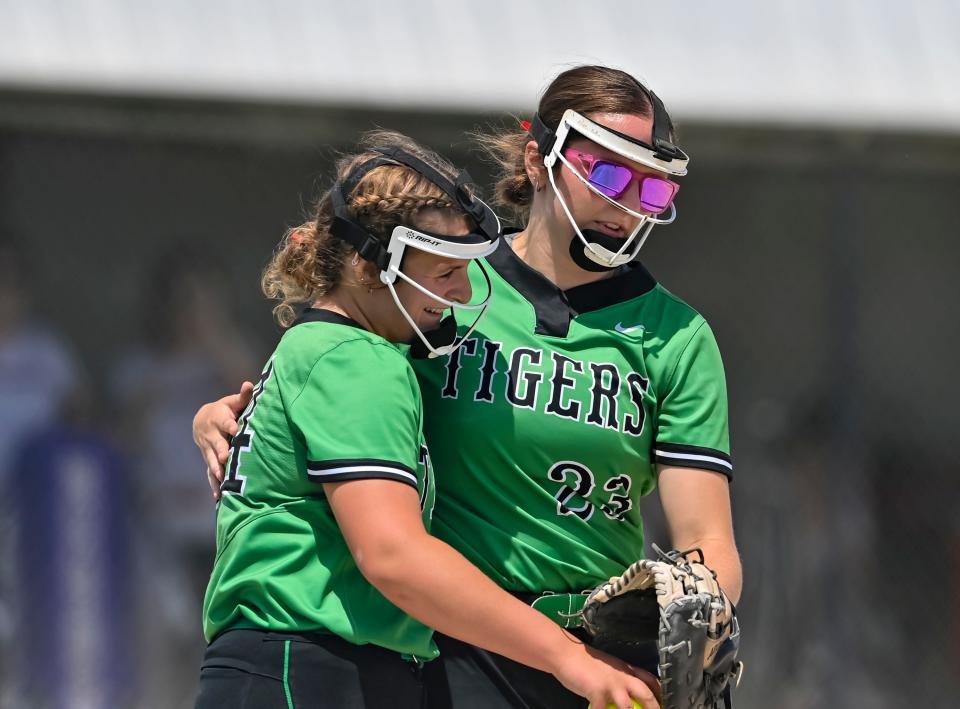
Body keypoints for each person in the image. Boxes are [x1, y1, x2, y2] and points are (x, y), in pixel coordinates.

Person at [196, 67, 740, 708]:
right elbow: (324, 373)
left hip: (595, 656)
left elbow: (711, 541)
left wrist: (694, 618)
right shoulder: (443, 283)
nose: (627, 204)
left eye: (650, 189)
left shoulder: (677, 337)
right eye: (608, 174)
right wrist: (219, 416)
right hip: (450, 647)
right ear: (539, 161)